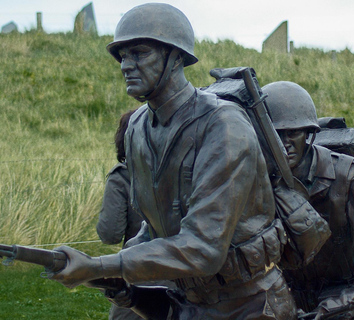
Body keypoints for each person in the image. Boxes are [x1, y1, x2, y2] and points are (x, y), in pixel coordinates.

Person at [48, 3, 295, 319]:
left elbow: (204, 249)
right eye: (122, 56)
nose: (126, 65)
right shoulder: (137, 128)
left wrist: (102, 265)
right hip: (188, 302)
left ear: (177, 57)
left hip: (250, 304)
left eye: (139, 53)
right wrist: (116, 274)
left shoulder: (223, 126)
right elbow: (153, 230)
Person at [262, 81, 354, 319]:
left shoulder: (352, 179)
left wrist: (328, 311)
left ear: (308, 134)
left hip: (351, 304)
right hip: (291, 303)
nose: (284, 143)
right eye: (275, 134)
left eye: (293, 133)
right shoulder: (261, 182)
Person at [96, 109, 144, 320]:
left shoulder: (122, 177)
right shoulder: (183, 171)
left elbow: (110, 234)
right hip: (188, 275)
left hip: (140, 277)